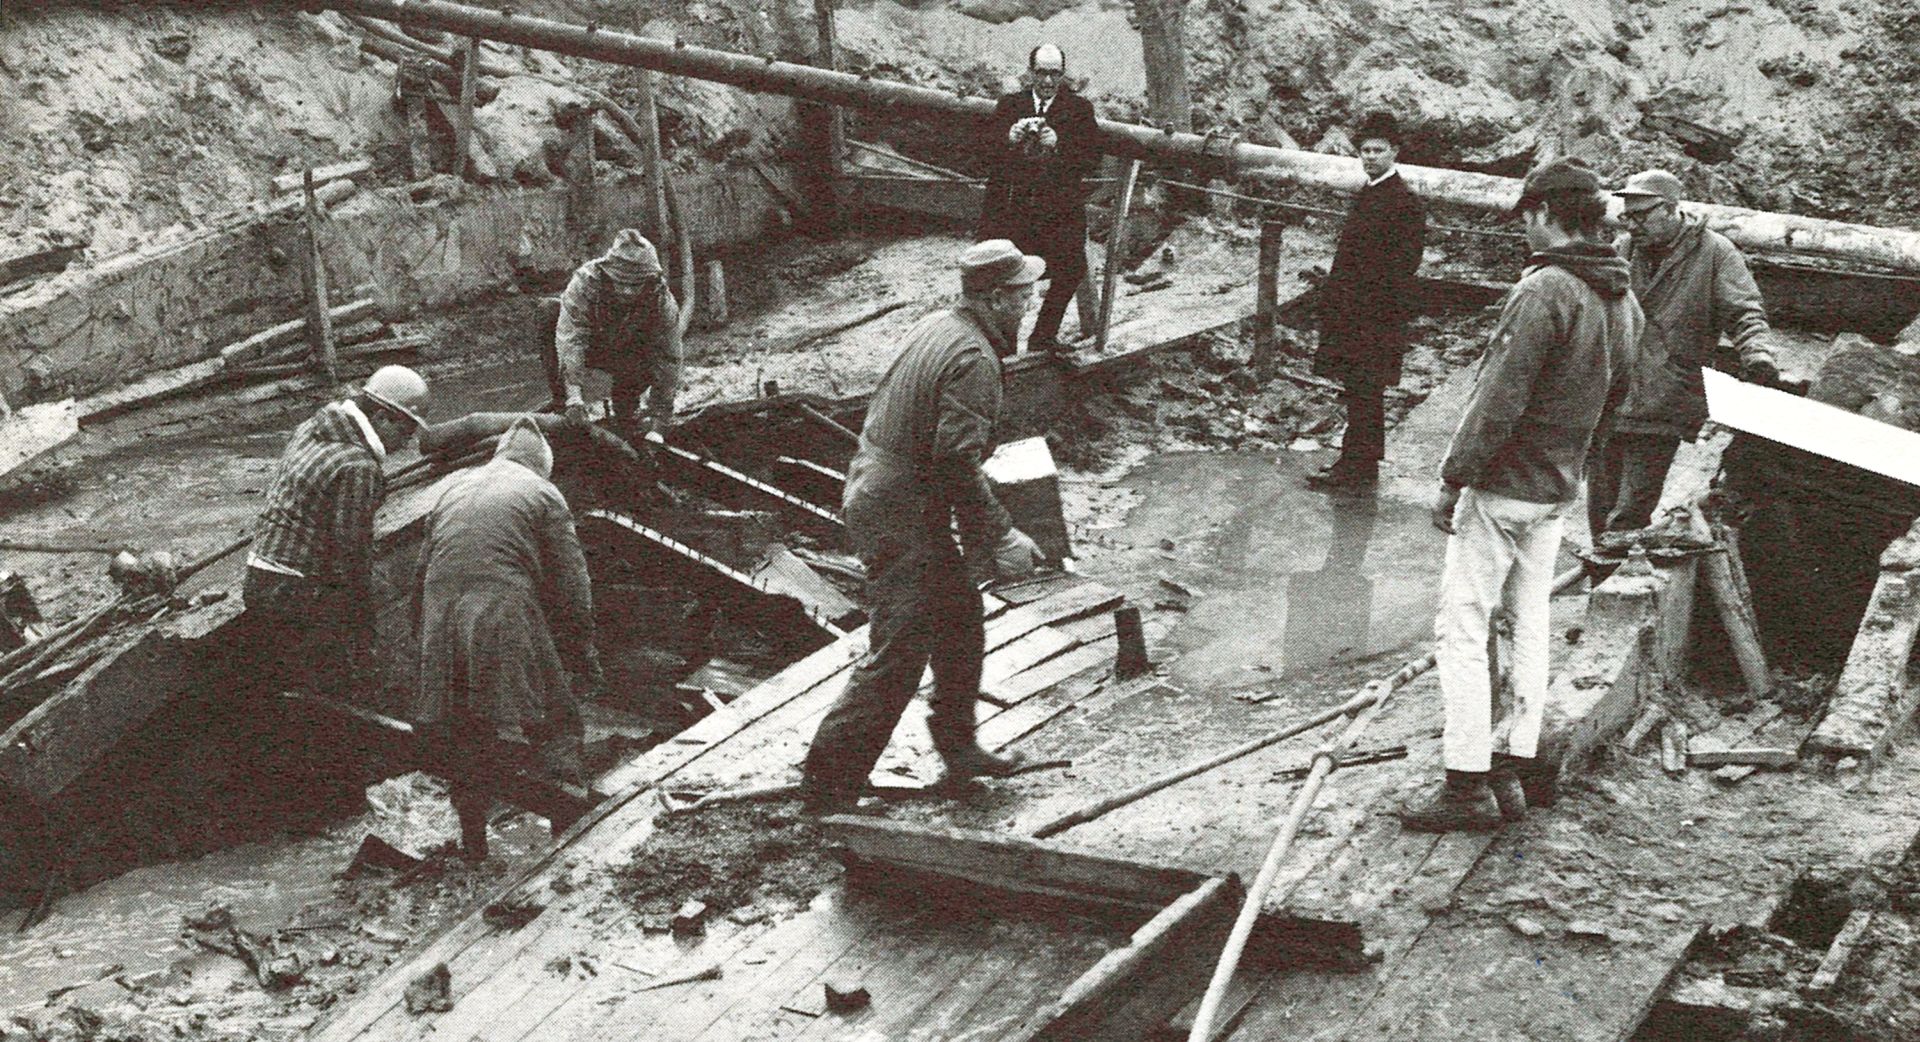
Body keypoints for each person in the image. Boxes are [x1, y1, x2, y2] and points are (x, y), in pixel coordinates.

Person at [1405, 158, 1643, 832]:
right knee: (1528, 623)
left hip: (1506, 484)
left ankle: (1464, 786)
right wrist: (1572, 467)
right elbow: (1617, 399)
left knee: (1463, 629)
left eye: (1528, 216)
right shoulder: (1621, 297)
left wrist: (1456, 476)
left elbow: (1497, 400)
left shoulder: (1547, 291)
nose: (1525, 230)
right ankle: (1512, 769)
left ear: (1545, 213)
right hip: (1557, 487)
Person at [799, 240, 1048, 816]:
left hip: (890, 489)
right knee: (900, 649)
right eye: (1024, 295)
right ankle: (827, 790)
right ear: (996, 299)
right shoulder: (975, 360)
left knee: (960, 619)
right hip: (899, 507)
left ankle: (960, 750)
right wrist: (1001, 536)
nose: (1030, 304)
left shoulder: (940, 324)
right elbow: (955, 461)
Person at [412, 418, 597, 860]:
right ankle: (567, 836)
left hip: (442, 614)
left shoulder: (454, 488)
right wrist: (581, 647)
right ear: (542, 466)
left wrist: (425, 641)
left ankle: (474, 846)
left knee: (465, 732)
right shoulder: (542, 493)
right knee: (556, 721)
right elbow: (573, 582)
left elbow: (421, 574)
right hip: (500, 608)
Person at [1586, 168, 1780, 546]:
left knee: (1629, 512)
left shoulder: (1715, 253)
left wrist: (1758, 355)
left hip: (1665, 400)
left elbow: (1744, 312)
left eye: (1641, 215)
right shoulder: (1623, 250)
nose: (1632, 225)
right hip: (1611, 399)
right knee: (1599, 510)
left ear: (1671, 209)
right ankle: (1604, 588)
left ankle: (1615, 592)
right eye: (1627, 216)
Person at [245, 364, 431, 699]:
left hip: (259, 574)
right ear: (381, 417)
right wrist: (364, 623)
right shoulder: (359, 467)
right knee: (336, 675)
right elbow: (352, 552)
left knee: (296, 675)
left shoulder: (313, 427)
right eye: (405, 430)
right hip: (293, 589)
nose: (407, 442)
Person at [1308, 112, 1428, 490]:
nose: (1371, 156)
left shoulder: (1403, 200)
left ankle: (1357, 468)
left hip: (1374, 316)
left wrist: (1367, 304)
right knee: (1359, 390)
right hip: (1355, 311)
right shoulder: (1371, 192)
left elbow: (1405, 263)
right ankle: (1355, 461)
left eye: (1378, 150)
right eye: (1365, 150)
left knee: (1366, 391)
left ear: (1395, 151)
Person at [976, 44, 1101, 355]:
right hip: (1013, 210)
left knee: (1071, 268)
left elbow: (1092, 159)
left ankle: (1042, 337)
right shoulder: (1009, 106)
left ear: (1062, 75)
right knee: (1007, 277)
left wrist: (1060, 144)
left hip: (1057, 213)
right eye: (1042, 73)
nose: (1047, 81)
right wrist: (1009, 138)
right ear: (1030, 73)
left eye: (1054, 74)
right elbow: (979, 155)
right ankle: (1004, 345)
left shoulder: (1079, 109)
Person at [554, 228, 684, 438]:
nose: (627, 291)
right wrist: (575, 397)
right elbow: (571, 339)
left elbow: (668, 359)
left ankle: (626, 413)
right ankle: (566, 408)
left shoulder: (661, 301)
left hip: (629, 351)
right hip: (593, 346)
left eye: (635, 285)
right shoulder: (586, 283)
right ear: (608, 273)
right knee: (548, 313)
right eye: (620, 282)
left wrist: (659, 422)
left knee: (646, 356)